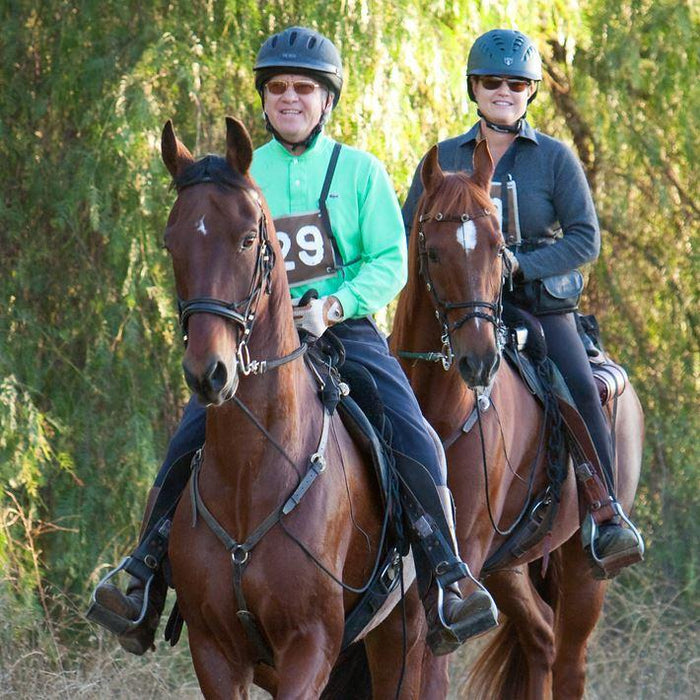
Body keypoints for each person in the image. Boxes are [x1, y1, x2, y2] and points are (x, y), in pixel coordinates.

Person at [88, 26, 498, 658]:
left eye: (303, 88)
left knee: (413, 433)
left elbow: (390, 260)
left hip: (343, 331)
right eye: (277, 87)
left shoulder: (359, 171)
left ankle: (448, 579)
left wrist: (334, 304)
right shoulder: (239, 177)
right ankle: (143, 572)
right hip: (254, 345)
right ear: (263, 99)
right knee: (188, 438)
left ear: (326, 100)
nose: (289, 98)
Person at [402, 28, 644, 578]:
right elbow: (406, 234)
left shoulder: (554, 159)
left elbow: (585, 239)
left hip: (537, 307)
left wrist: (518, 264)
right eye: (492, 82)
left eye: (516, 83)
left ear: (531, 90)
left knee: (578, 383)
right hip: (458, 309)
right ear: (474, 88)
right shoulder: (442, 159)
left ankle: (605, 511)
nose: (503, 91)